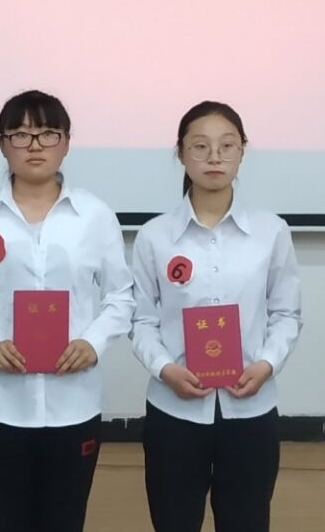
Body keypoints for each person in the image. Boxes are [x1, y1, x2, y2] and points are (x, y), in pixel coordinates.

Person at [0, 90, 135, 532]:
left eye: (47, 133)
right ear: (2, 144)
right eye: (20, 135)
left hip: (74, 404)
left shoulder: (94, 216)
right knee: (5, 522)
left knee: (65, 521)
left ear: (67, 142)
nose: (35, 145)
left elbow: (121, 297)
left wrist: (93, 343)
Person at [131, 101, 302, 532]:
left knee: (247, 521)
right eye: (200, 146)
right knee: (173, 521)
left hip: (251, 409)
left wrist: (267, 364)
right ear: (180, 153)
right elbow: (141, 320)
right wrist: (165, 369)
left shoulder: (271, 231)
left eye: (227, 146)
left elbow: (286, 313)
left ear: (242, 150)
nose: (214, 157)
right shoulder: (154, 236)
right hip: (174, 410)